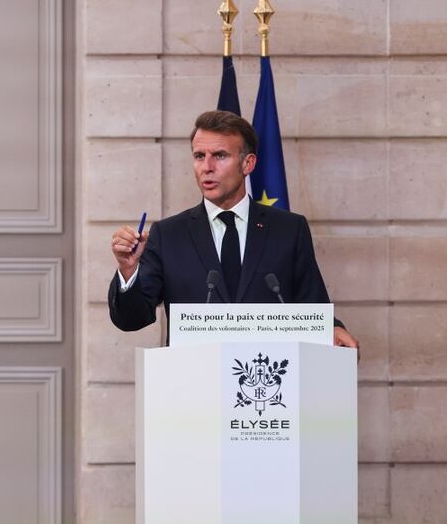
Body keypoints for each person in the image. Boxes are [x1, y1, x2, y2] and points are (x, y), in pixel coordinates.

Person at [108, 110, 359, 350]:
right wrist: (129, 271)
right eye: (199, 156)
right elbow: (131, 320)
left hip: (267, 380)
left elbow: (311, 303)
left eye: (219, 156)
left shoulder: (289, 229)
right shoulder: (168, 234)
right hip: (194, 382)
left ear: (247, 163)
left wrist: (333, 329)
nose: (207, 167)